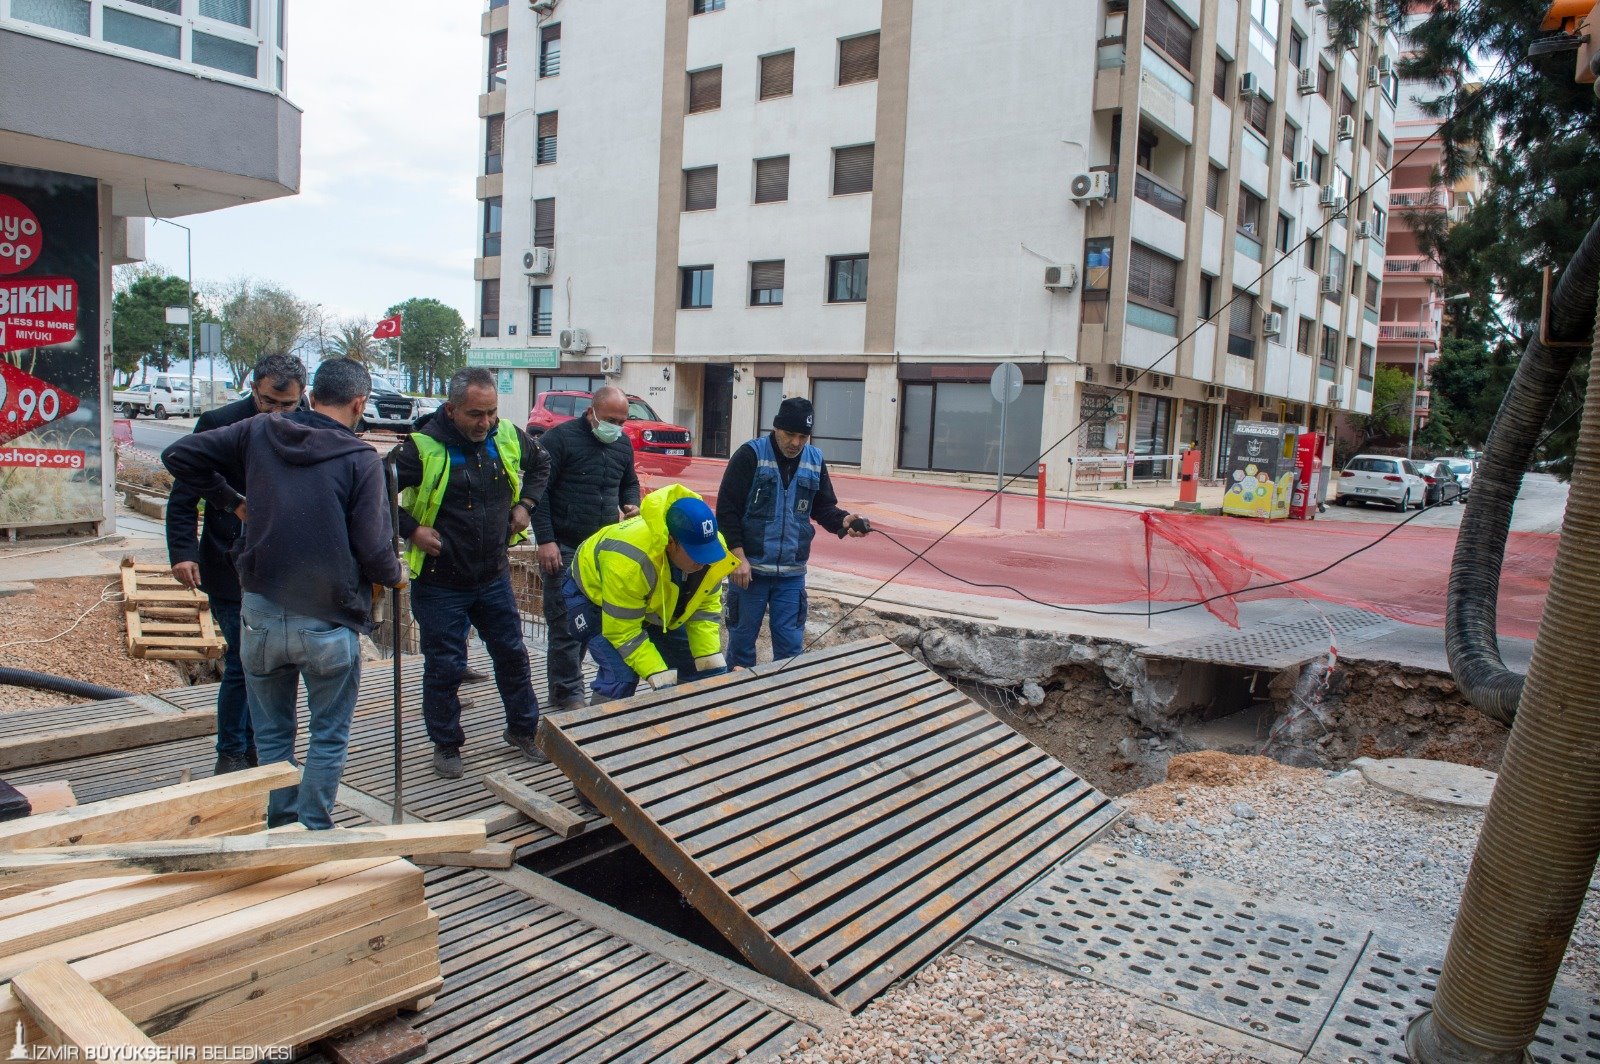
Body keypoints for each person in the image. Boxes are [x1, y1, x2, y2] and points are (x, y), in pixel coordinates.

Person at [161, 359, 403, 829]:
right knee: (327, 737)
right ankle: (312, 830)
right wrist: (396, 575)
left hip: (261, 614)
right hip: (327, 619)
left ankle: (280, 825)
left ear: (311, 398)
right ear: (359, 404)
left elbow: (179, 457)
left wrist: (233, 502)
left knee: (272, 738)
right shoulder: (359, 460)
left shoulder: (257, 431)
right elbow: (374, 549)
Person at [392, 367, 552, 779]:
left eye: (491, 413)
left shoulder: (508, 436)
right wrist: (411, 529)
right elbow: (370, 489)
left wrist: (526, 506)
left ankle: (522, 729)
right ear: (451, 409)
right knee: (445, 666)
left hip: (493, 575)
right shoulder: (421, 447)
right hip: (441, 581)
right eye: (475, 415)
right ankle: (446, 744)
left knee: (513, 655)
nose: (485, 423)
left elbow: (541, 465)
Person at [165, 354, 306, 775]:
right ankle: (232, 751)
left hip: (283, 567)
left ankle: (265, 748)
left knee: (276, 663)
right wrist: (183, 552)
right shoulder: (219, 423)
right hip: (228, 564)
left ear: (303, 398)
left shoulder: (310, 424)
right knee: (245, 662)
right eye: (267, 402)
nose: (276, 414)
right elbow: (184, 494)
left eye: (287, 405)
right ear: (253, 389)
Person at [715, 396, 867, 668]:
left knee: (790, 653)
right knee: (740, 648)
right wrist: (738, 558)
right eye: (790, 434)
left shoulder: (815, 459)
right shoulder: (750, 455)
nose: (796, 443)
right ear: (775, 428)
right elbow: (727, 511)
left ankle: (785, 704)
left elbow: (822, 507)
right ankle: (738, 704)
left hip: (791, 575)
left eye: (803, 436)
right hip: (749, 573)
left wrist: (844, 521)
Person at [563, 485, 735, 702]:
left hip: (644, 598)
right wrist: (658, 674)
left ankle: (683, 728)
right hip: (591, 596)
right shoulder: (630, 563)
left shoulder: (710, 546)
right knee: (621, 676)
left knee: (696, 667)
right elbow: (624, 632)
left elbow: (703, 610)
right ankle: (600, 731)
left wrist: (708, 663)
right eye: (695, 555)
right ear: (671, 542)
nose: (703, 562)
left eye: (706, 553)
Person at [532, 385, 641, 711]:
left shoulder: (622, 444)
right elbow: (540, 493)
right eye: (610, 419)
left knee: (589, 622)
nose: (617, 427)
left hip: (602, 552)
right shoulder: (559, 439)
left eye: (622, 421)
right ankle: (566, 695)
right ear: (591, 412)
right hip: (563, 546)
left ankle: (574, 689)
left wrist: (631, 503)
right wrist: (546, 540)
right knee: (565, 625)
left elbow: (629, 481)